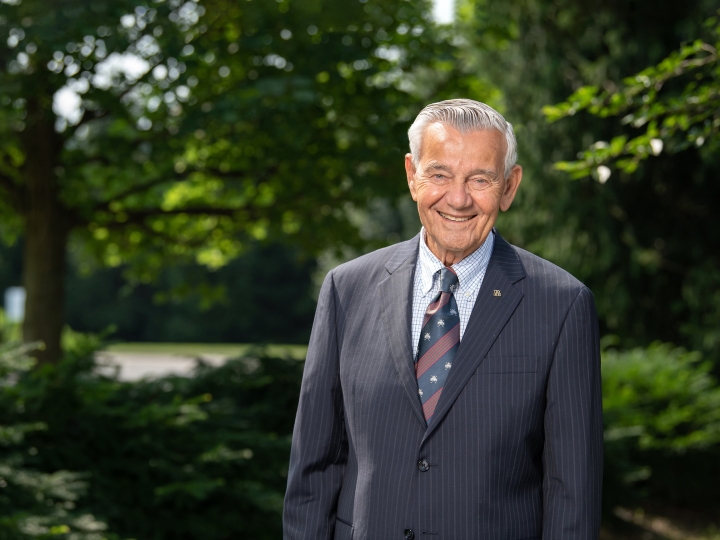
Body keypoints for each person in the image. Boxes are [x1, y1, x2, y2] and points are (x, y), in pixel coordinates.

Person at [283, 99, 603, 540]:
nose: (458, 198)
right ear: (412, 175)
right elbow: (313, 472)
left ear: (509, 187)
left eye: (480, 179)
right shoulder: (345, 290)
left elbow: (572, 495)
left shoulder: (563, 305)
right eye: (439, 174)